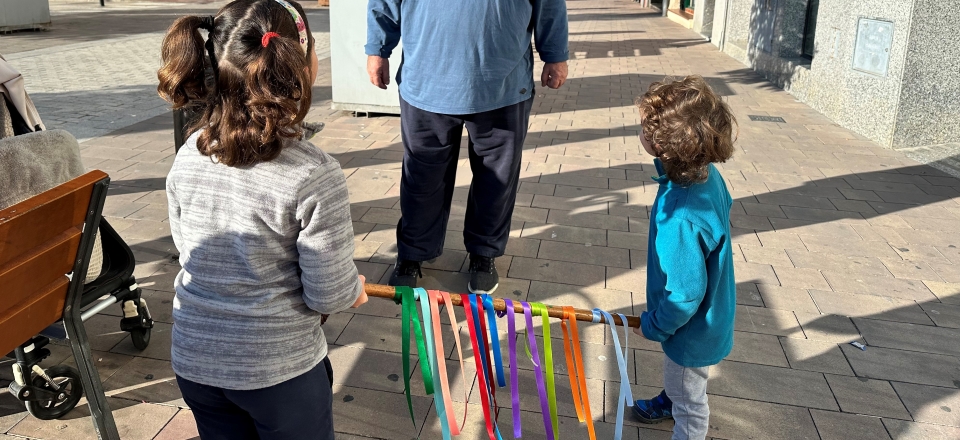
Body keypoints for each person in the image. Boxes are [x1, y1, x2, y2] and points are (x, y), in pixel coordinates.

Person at [157, 1, 367, 439]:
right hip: (278, 371)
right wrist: (353, 289)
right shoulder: (314, 173)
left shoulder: (189, 154)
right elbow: (328, 292)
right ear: (304, 66)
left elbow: (189, 249)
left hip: (196, 360)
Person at [366, 0, 569, 294]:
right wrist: (377, 48)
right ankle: (413, 252)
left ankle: (484, 253)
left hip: (503, 83)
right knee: (421, 178)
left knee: (496, 179)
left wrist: (555, 54)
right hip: (427, 81)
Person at [630, 76, 738, 440]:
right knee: (681, 382)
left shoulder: (681, 216)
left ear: (662, 145)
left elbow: (684, 296)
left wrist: (655, 325)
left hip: (690, 331)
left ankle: (681, 417)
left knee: (690, 403)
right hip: (709, 317)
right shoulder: (707, 176)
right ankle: (670, 398)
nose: (640, 131)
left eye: (646, 127)